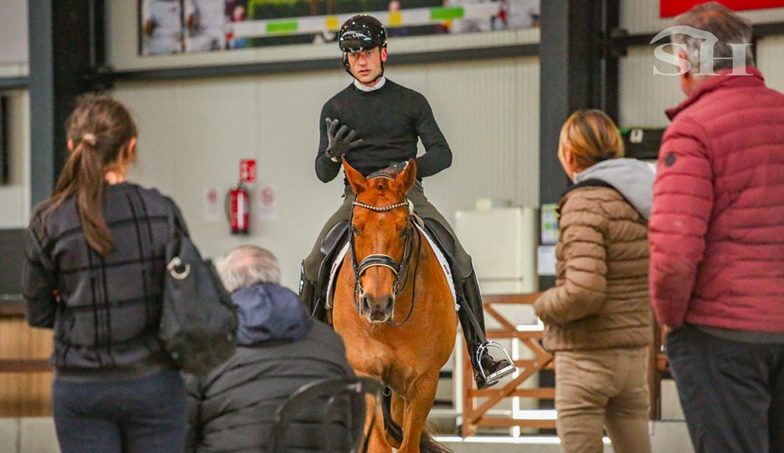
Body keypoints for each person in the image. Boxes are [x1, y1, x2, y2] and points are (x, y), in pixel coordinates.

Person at [298, 14, 515, 389]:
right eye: (352, 54)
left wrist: (405, 172)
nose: (361, 61)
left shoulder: (411, 101)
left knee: (458, 257)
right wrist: (333, 155)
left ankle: (481, 350)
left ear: (384, 53)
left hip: (405, 194)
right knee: (315, 261)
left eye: (367, 52)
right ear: (345, 60)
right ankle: (301, 355)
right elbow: (321, 173)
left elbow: (443, 154)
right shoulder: (334, 107)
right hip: (358, 197)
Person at [649, 3, 784, 452]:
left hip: (718, 335)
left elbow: (675, 254)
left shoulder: (693, 130)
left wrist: (670, 321)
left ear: (686, 62)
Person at [22, 94, 187, 453]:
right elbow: (186, 294)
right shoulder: (160, 210)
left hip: (80, 388)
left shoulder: (49, 220)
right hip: (154, 381)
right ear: (130, 147)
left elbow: (37, 311)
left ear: (72, 146)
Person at [533, 110, 654, 453]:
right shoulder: (642, 197)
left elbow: (584, 292)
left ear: (569, 154)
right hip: (633, 356)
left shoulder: (584, 201)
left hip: (587, 356)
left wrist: (543, 306)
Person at [186, 245, 354, 452]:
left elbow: (181, 425)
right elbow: (352, 410)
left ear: (224, 287)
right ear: (274, 277)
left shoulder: (204, 340)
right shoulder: (329, 339)